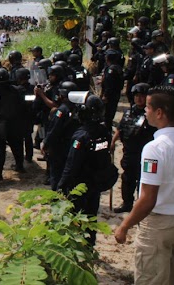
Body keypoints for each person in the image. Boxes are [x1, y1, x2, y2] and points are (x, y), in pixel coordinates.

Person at [114, 86, 174, 285]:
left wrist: (124, 226)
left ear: (159, 112)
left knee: (151, 279)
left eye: (148, 107)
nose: (145, 111)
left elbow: (148, 198)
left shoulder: (155, 148)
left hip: (158, 225)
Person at [57, 94, 111, 246]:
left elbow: (71, 164)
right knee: (91, 217)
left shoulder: (81, 136)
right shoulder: (104, 132)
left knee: (76, 218)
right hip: (96, 182)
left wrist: (61, 186)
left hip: (79, 184)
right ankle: (90, 245)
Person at [111, 83, 156, 213]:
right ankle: (127, 204)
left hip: (145, 154)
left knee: (143, 182)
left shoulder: (151, 114)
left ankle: (141, 207)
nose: (139, 99)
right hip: (129, 153)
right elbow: (120, 129)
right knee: (127, 180)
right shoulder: (129, 112)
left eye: (142, 96)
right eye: (137, 96)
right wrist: (113, 141)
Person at [0, 67, 24, 178]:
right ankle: (20, 166)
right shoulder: (16, 90)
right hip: (14, 123)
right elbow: (22, 106)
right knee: (17, 146)